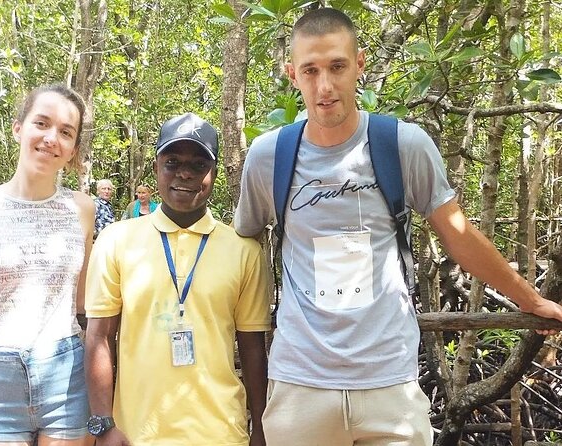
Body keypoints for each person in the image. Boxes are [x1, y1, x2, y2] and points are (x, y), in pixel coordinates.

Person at [233, 8, 562, 446]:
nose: (325, 86)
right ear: (293, 74)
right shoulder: (268, 156)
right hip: (301, 384)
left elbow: (458, 234)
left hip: (389, 382)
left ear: (360, 65)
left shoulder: (402, 144)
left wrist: (530, 300)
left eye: (337, 66)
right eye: (310, 71)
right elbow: (243, 245)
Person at [84, 112, 270, 446]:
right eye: (172, 162)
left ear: (213, 173)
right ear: (156, 167)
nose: (185, 173)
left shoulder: (243, 250)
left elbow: (253, 348)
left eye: (199, 164)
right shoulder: (116, 240)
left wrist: (261, 427)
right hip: (137, 433)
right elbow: (99, 336)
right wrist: (103, 424)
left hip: (222, 433)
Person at [0, 84, 95, 446]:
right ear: (18, 128)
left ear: (73, 149)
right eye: (41, 123)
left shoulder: (82, 210)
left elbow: (82, 306)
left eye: (65, 132)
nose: (51, 138)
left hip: (66, 375)